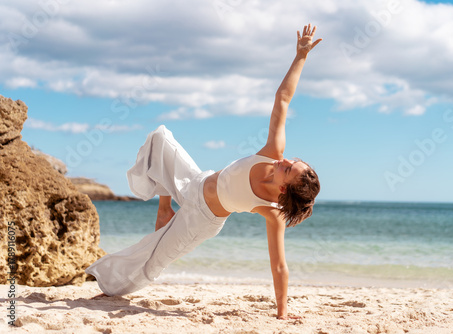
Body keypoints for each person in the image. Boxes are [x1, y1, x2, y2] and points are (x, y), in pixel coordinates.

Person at [86, 24, 322, 320]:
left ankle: (109, 288)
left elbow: (278, 265)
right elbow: (282, 99)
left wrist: (283, 312)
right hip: (194, 182)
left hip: (201, 220)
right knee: (160, 139)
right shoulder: (272, 152)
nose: (284, 160)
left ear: (284, 188)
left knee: (153, 257)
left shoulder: (271, 211)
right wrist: (300, 56)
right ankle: (164, 207)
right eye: (293, 160)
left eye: (288, 168)